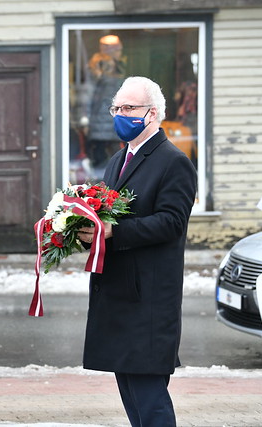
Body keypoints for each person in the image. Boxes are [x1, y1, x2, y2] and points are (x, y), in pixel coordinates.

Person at [77, 76, 197, 426]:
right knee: (131, 393)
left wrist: (116, 231)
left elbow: (172, 223)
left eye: (129, 108)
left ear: (153, 113)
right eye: (116, 107)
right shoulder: (118, 160)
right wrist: (81, 230)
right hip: (119, 294)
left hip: (148, 299)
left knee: (150, 398)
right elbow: (106, 213)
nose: (120, 114)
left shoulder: (173, 161)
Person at [86, 35, 126, 171]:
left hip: (109, 120)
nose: (120, 52)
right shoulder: (102, 66)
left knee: (112, 161)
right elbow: (88, 95)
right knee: (107, 162)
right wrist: (84, 119)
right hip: (103, 121)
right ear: (113, 51)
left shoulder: (115, 67)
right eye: (118, 50)